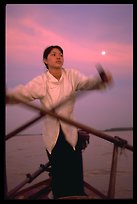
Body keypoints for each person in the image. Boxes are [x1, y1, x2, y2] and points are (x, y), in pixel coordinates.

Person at [6, 45, 113, 199]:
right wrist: (9, 96)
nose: (59, 57)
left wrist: (101, 80)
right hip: (53, 133)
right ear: (45, 60)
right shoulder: (41, 81)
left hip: (70, 130)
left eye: (61, 54)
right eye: (54, 54)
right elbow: (24, 92)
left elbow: (89, 82)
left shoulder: (72, 75)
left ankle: (76, 194)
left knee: (75, 173)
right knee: (60, 175)